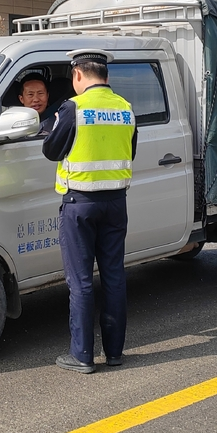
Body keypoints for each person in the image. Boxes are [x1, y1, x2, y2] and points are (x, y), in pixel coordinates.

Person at [42, 49, 138, 373]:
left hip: (80, 204)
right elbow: (130, 151)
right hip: (116, 203)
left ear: (78, 74)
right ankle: (114, 352)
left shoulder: (74, 108)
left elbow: (51, 150)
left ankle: (82, 355)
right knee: (114, 276)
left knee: (81, 280)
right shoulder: (125, 108)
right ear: (106, 76)